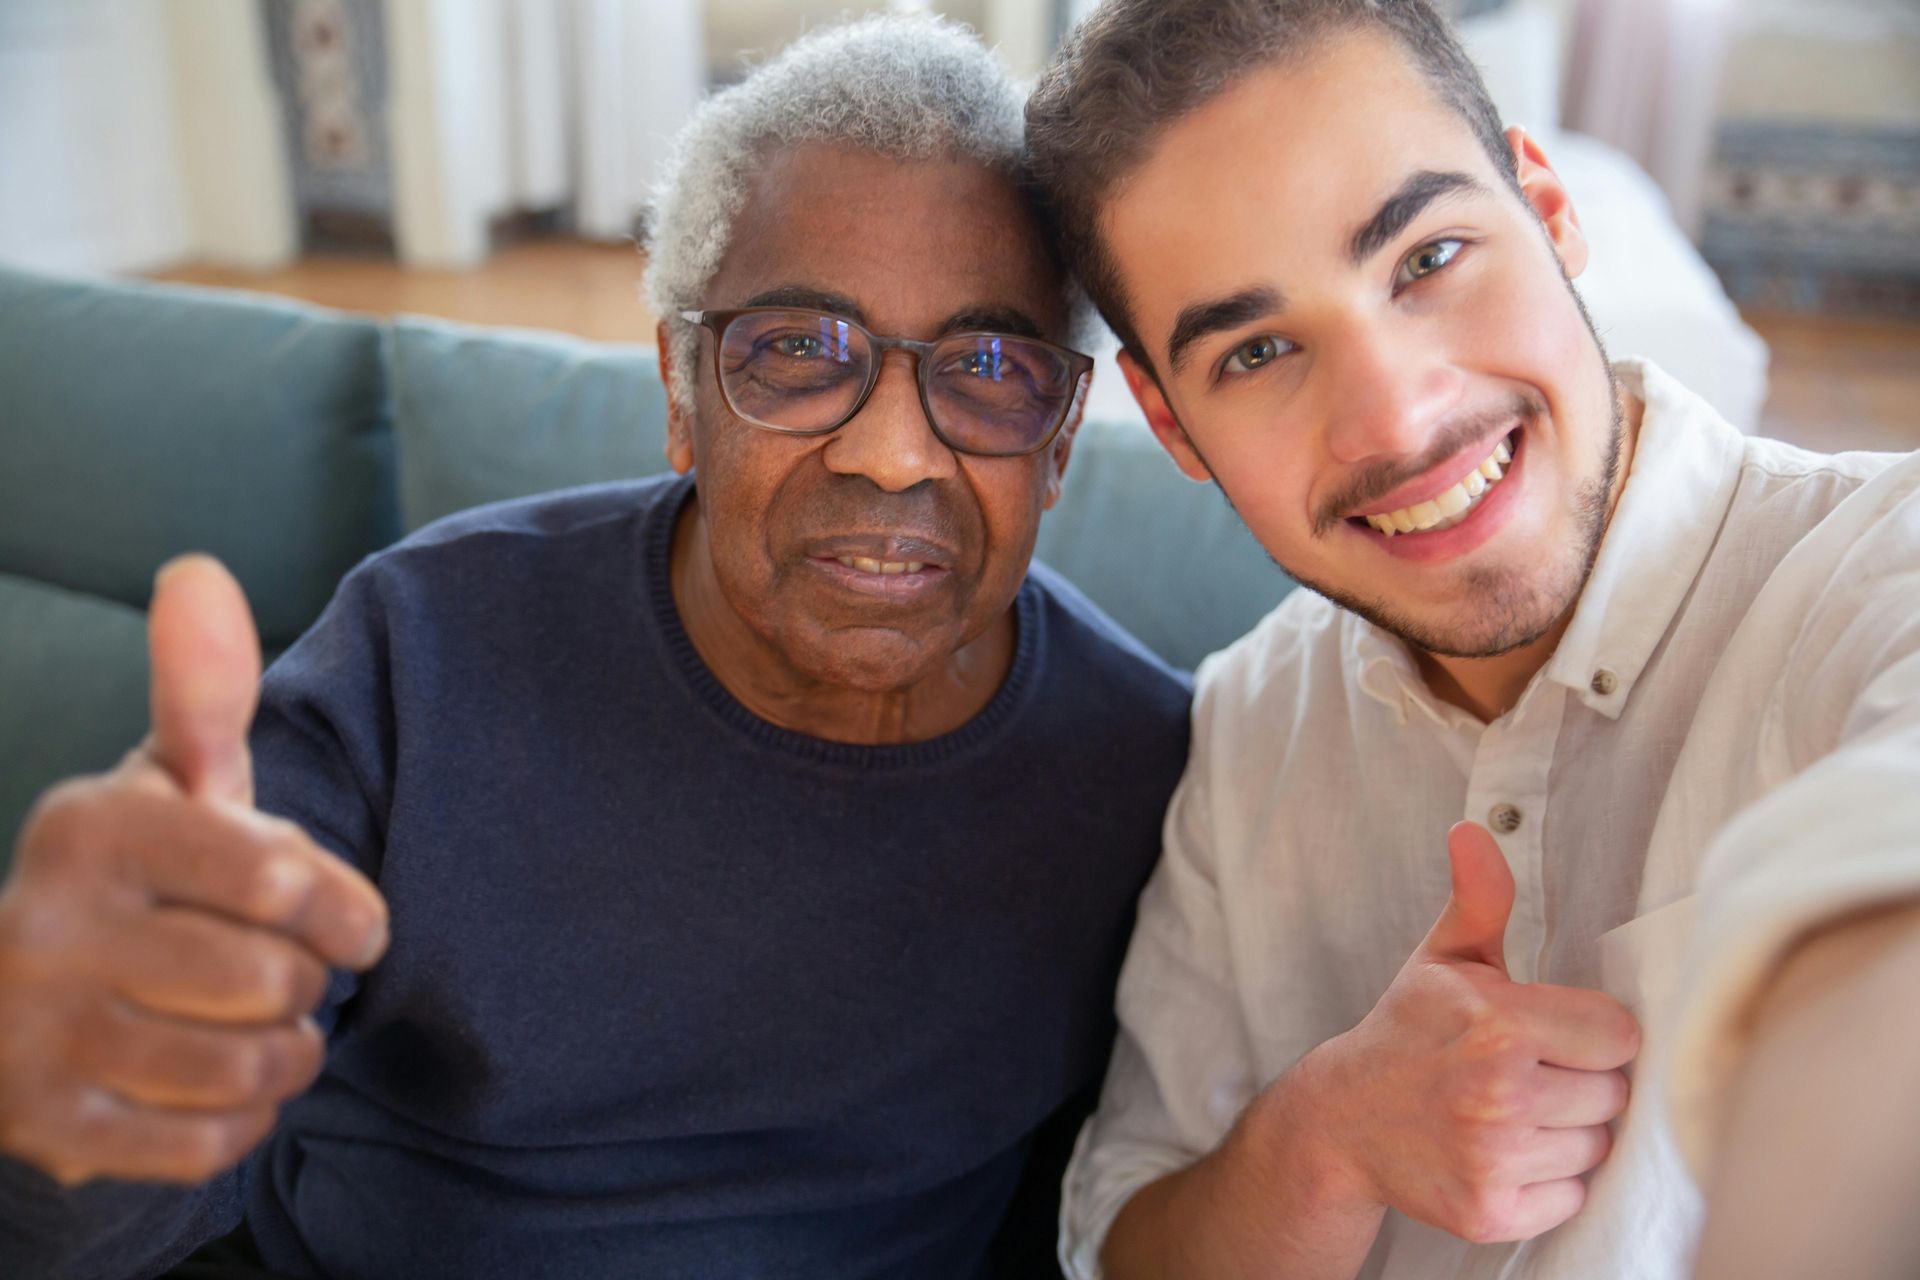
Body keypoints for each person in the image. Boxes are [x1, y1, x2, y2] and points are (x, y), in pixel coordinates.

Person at [0, 17, 1191, 1280]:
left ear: (1060, 440)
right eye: (797, 350)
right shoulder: (422, 652)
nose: (893, 453)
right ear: (681, 390)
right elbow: (107, 1208)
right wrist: (59, 1105)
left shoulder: (1144, 773)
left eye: (991, 364)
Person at [1023, 2, 1920, 1278]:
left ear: (1549, 212)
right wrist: (1322, 1141)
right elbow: (1119, 1239)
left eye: (1429, 257)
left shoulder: (1878, 569)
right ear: (1171, 429)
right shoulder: (1244, 730)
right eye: (1261, 349)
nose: (1395, 415)